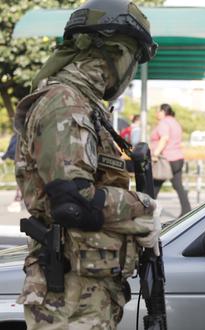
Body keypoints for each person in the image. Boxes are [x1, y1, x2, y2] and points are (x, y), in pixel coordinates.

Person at [13, 0, 161, 328]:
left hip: (84, 291)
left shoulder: (84, 106)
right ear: (116, 53)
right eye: (133, 57)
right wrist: (141, 208)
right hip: (68, 296)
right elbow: (72, 203)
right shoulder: (64, 104)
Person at [151, 103, 192, 216]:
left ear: (163, 112)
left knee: (154, 185)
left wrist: (155, 153)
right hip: (178, 158)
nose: (156, 113)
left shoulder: (164, 123)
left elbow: (164, 138)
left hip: (166, 160)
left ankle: (146, 211)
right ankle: (186, 210)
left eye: (158, 111)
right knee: (178, 185)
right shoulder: (175, 122)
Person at [2, 133, 22, 212]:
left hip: (21, 161)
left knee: (20, 180)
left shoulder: (18, 134)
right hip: (23, 160)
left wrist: (4, 157)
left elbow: (12, 148)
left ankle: (17, 199)